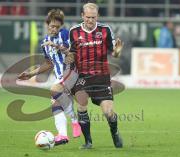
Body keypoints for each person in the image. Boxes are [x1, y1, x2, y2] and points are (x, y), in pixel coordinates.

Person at [17, 9, 81, 145]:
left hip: (70, 70)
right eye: (52, 26)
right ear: (47, 25)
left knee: (54, 90)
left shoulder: (64, 34)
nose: (54, 29)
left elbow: (70, 52)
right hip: (59, 76)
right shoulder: (44, 42)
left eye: (57, 27)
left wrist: (56, 45)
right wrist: (30, 74)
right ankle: (63, 135)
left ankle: (75, 121)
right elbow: (48, 63)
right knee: (55, 103)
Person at [67, 3, 123, 149]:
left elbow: (114, 53)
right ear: (82, 16)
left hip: (101, 77)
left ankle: (115, 132)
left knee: (108, 112)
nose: (90, 20)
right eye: (87, 17)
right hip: (82, 77)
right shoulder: (74, 31)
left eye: (93, 17)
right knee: (81, 105)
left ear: (97, 16)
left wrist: (117, 51)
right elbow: (71, 53)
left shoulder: (105, 30)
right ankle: (88, 142)